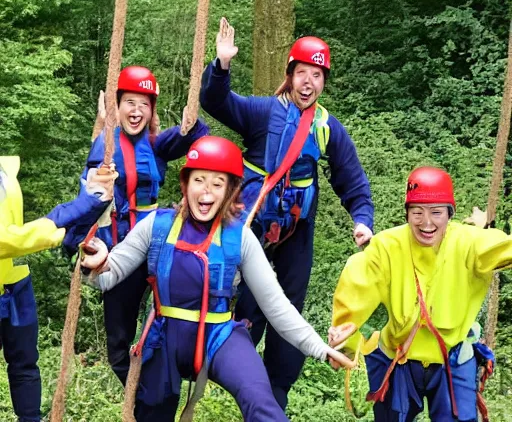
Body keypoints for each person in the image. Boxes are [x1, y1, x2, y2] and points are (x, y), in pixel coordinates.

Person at [81, 136, 355, 422]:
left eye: (217, 183)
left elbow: (276, 306)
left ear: (230, 191)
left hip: (220, 335)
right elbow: (108, 276)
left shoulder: (241, 238)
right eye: (199, 180)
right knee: (152, 409)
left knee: (262, 404)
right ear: (185, 184)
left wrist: (319, 349)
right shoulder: (157, 226)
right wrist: (96, 265)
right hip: (165, 337)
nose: (206, 192)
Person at [199, 18, 374, 408]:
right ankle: (242, 378)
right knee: (248, 305)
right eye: (302, 73)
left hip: (297, 231)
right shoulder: (263, 113)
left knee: (290, 303)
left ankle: (276, 393)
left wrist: (362, 220)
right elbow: (216, 103)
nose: (308, 82)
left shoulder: (328, 129)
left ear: (324, 80)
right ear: (290, 75)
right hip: (252, 229)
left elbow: (353, 183)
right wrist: (221, 66)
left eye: (317, 74)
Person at [329, 166, 511, 422]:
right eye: (417, 212)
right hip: (400, 356)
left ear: (449, 215)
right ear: (407, 214)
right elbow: (357, 285)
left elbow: (501, 247)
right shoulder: (387, 247)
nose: (427, 223)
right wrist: (345, 344)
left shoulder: (468, 243)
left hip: (452, 355)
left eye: (436, 212)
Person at [63, 65, 208, 385]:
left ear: (152, 110)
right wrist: (76, 239)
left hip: (155, 248)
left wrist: (192, 123)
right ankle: (142, 396)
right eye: (130, 102)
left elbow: (196, 137)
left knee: (168, 321)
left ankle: (167, 380)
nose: (137, 111)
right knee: (119, 344)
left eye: (144, 104)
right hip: (119, 253)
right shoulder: (105, 145)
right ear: (118, 105)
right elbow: (87, 194)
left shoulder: (156, 144)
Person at [0, 155, 114, 422]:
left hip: (13, 284)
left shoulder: (5, 168)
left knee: (25, 366)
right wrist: (70, 212)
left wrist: (88, 207)